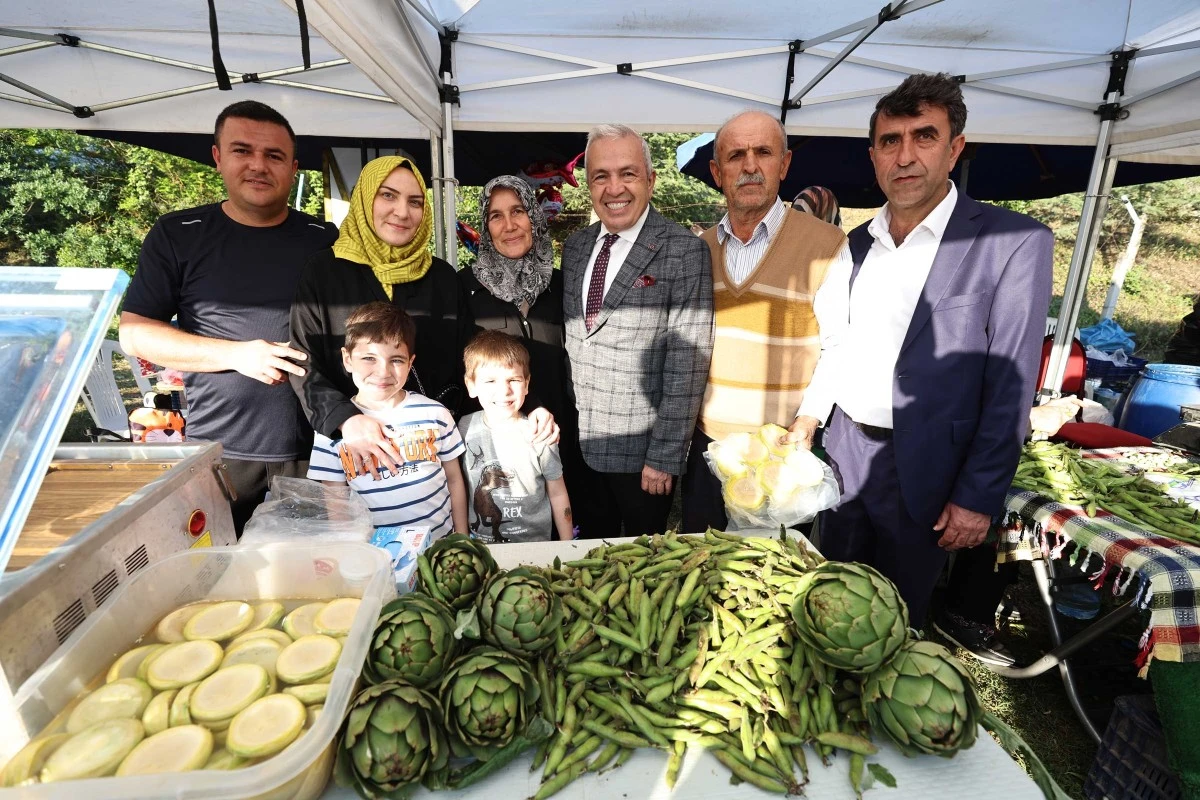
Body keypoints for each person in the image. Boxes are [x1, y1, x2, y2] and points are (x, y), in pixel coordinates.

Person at [794, 73, 1054, 628]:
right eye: (891, 141)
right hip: (844, 458)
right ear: (873, 155)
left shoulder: (1011, 243)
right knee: (828, 602)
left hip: (928, 472)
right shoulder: (854, 244)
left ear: (955, 147)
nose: (905, 156)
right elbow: (835, 344)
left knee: (895, 619)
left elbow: (1010, 384)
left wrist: (978, 497)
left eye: (924, 137)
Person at [119, 100, 337, 535]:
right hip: (223, 455)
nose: (258, 165)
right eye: (242, 151)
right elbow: (136, 334)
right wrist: (238, 355)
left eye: (274, 155)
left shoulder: (324, 239)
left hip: (316, 454)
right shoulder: (179, 234)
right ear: (217, 157)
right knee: (219, 575)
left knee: (312, 577)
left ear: (293, 167)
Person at [682, 110, 848, 532]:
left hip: (781, 453)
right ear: (718, 172)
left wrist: (809, 420)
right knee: (701, 571)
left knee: (770, 583)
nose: (751, 166)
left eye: (763, 152)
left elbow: (839, 345)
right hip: (708, 450)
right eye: (736, 155)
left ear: (785, 164)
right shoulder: (699, 250)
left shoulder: (823, 245)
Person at [562, 124, 715, 538]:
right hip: (581, 450)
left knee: (642, 571)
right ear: (588, 184)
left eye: (627, 174)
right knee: (589, 559)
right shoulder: (576, 247)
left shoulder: (684, 250)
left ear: (650, 180)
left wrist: (665, 456)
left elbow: (688, 363)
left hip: (643, 458)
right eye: (601, 176)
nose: (615, 188)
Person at [290, 155, 475, 482]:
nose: (402, 212)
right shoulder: (324, 273)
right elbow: (304, 361)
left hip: (430, 462)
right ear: (363, 199)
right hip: (348, 455)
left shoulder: (443, 278)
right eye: (387, 195)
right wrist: (345, 420)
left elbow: (467, 361)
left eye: (415, 201)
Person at [458, 176, 579, 493]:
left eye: (518, 211)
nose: (508, 225)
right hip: (498, 447)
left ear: (535, 217)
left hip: (562, 437)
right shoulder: (464, 288)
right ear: (485, 226)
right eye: (495, 215)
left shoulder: (561, 284)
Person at [306, 302, 467, 534]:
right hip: (375, 557)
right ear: (347, 359)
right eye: (369, 358)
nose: (383, 372)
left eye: (396, 360)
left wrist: (462, 537)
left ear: (410, 363)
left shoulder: (436, 413)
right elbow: (336, 502)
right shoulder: (331, 431)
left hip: (441, 552)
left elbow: (454, 480)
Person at [458, 331, 573, 543]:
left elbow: (557, 493)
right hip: (481, 550)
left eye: (514, 379)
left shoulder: (540, 433)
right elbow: (458, 488)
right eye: (490, 381)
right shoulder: (463, 427)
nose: (504, 390)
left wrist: (567, 545)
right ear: (471, 386)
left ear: (527, 384)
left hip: (536, 547)